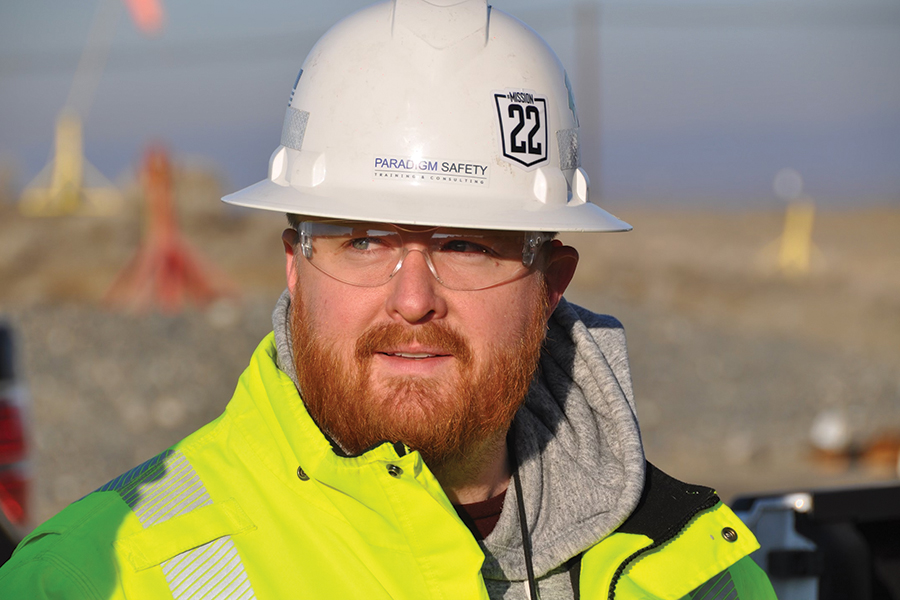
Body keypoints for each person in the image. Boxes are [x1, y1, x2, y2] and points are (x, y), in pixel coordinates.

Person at [0, 1, 776, 598]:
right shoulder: (97, 575)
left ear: (552, 283)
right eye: (364, 241)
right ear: (295, 266)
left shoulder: (695, 567)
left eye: (465, 245)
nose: (412, 300)